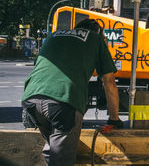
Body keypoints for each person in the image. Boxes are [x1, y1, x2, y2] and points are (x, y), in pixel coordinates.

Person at [21, 19, 122, 166]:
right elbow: (109, 82)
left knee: (53, 150)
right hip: (63, 102)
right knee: (62, 159)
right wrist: (114, 119)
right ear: (99, 33)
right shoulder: (96, 39)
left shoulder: (53, 35)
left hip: (31, 99)